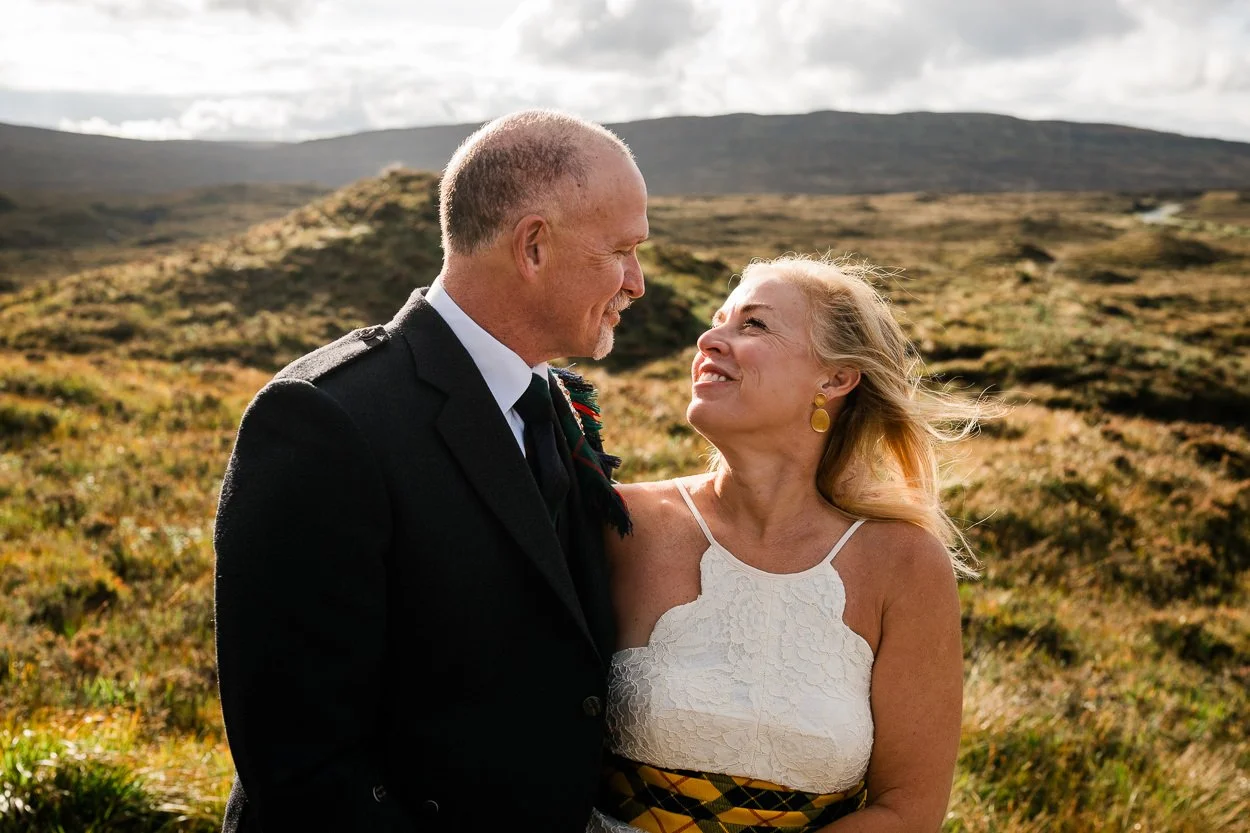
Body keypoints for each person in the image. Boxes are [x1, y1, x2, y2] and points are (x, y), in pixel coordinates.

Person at [213, 109, 648, 832]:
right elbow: (304, 766)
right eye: (623, 251)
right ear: (533, 245)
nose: (637, 282)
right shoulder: (324, 422)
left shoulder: (555, 402)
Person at [589, 256, 981, 833]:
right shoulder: (619, 521)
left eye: (753, 325)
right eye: (718, 320)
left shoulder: (904, 563)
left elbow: (908, 809)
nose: (709, 339)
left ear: (835, 379)